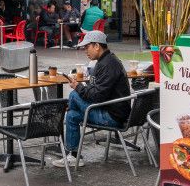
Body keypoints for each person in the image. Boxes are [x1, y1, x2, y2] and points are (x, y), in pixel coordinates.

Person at [52, 30, 131, 167]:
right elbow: (97, 91)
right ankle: (74, 156)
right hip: (110, 110)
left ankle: (71, 153)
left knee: (73, 95)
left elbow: (97, 96)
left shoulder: (107, 64)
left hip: (112, 117)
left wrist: (78, 87)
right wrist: (83, 87)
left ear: (97, 46)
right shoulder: (107, 60)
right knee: (71, 115)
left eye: (86, 47)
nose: (85, 50)